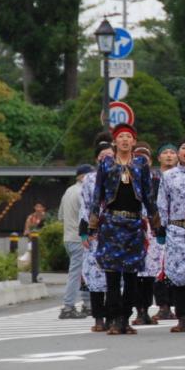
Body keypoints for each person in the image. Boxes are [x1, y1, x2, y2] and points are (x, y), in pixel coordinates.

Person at [88, 124, 160, 336]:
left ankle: (125, 319)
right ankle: (113, 318)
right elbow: (97, 194)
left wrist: (156, 224)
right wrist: (92, 224)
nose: (125, 140)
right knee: (111, 275)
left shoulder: (141, 164)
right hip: (111, 224)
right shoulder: (106, 164)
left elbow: (148, 195)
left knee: (131, 276)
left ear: (134, 142)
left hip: (134, 224)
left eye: (129, 137)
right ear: (115, 142)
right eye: (121, 137)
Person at [159, 136, 185, 332]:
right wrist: (162, 226)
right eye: (183, 148)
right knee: (178, 274)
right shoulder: (169, 176)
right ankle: (183, 316)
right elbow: (162, 202)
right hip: (176, 228)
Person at [79, 139, 112, 331]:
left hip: (117, 232)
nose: (106, 159)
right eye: (102, 156)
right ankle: (98, 318)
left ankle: (112, 316)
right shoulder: (89, 179)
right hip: (95, 232)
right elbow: (84, 206)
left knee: (114, 276)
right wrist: (84, 232)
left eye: (110, 155)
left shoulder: (123, 174)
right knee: (94, 275)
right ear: (96, 159)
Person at [132, 142, 161, 326]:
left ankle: (147, 308)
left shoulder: (157, 180)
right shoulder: (128, 178)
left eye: (145, 158)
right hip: (134, 226)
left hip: (152, 227)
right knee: (135, 272)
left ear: (150, 161)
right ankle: (138, 310)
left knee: (150, 272)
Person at [149, 143, 179, 322]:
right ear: (159, 157)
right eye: (165, 153)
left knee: (175, 267)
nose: (169, 155)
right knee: (157, 268)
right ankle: (163, 306)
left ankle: (176, 306)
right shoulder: (152, 178)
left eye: (172, 152)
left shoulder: (181, 177)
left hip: (177, 227)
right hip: (156, 227)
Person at [57, 165, 91, 319]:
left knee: (83, 273)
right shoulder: (83, 192)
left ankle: (88, 304)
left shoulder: (69, 191)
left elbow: (60, 216)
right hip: (80, 239)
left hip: (68, 237)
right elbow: (88, 217)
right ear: (83, 176)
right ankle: (68, 306)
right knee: (77, 274)